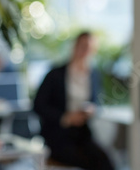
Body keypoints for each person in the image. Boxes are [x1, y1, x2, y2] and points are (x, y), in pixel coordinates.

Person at [33, 31, 113, 170]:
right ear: (74, 46)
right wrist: (66, 117)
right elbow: (38, 105)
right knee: (85, 162)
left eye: (89, 47)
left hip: (82, 133)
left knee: (105, 161)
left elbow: (97, 102)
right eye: (82, 45)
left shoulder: (94, 74)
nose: (84, 50)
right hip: (58, 134)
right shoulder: (55, 74)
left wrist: (92, 109)